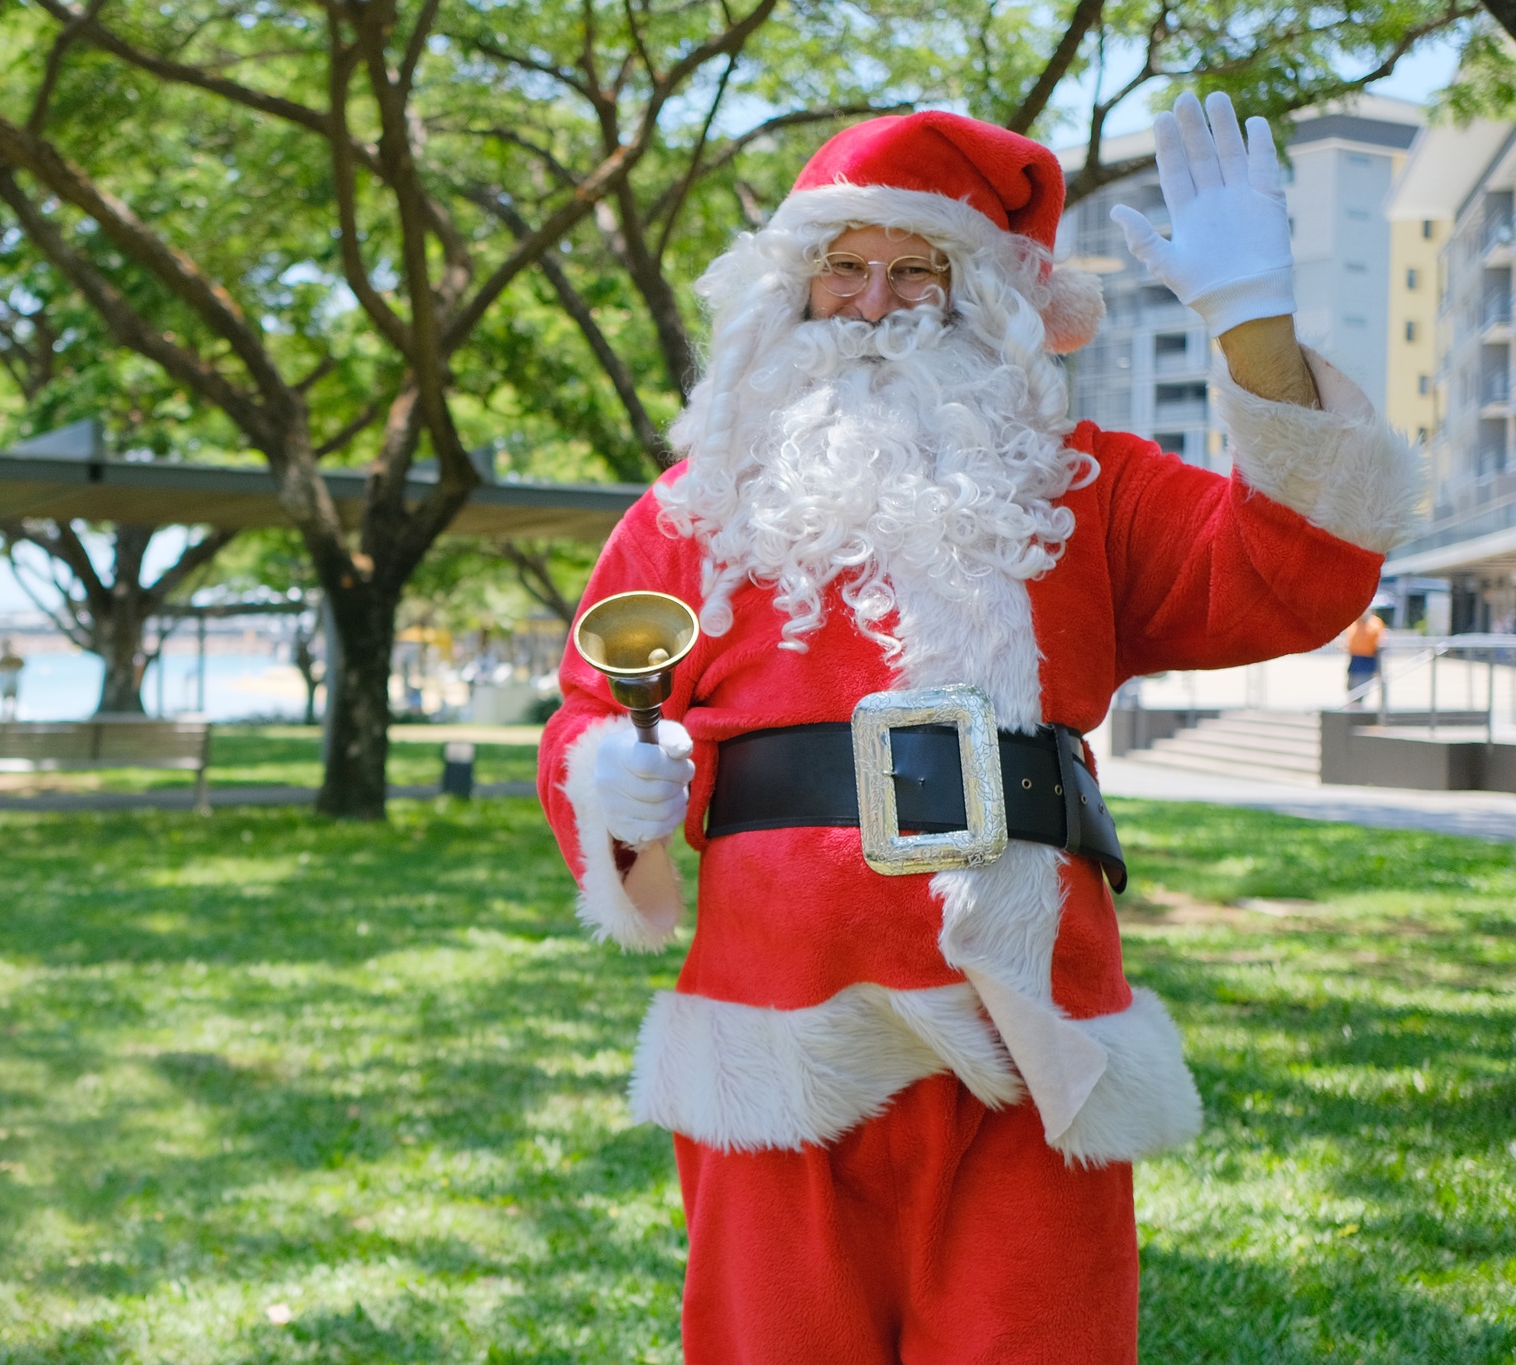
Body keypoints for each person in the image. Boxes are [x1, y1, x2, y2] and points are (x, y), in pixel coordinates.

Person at [537, 95, 1415, 1364]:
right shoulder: (692, 506)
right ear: (791, 288)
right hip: (768, 1029)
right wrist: (607, 775)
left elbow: (1294, 570)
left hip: (1024, 1025)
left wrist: (1251, 327)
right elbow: (587, 703)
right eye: (841, 268)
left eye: (916, 268)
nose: (874, 301)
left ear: (988, 297)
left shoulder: (1084, 484)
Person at [1344, 608, 1386, 702]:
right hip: (1354, 659)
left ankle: (1357, 709)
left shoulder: (1375, 624)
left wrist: (1379, 668)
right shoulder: (1354, 623)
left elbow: (1380, 646)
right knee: (1350, 686)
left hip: (1367, 660)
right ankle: (1353, 708)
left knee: (1360, 688)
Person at [0, 638, 26, 721]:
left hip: (9, 681)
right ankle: (8, 717)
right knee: (7, 702)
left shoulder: (10, 658)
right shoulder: (6, 658)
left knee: (9, 701)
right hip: (8, 681)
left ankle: (10, 717)